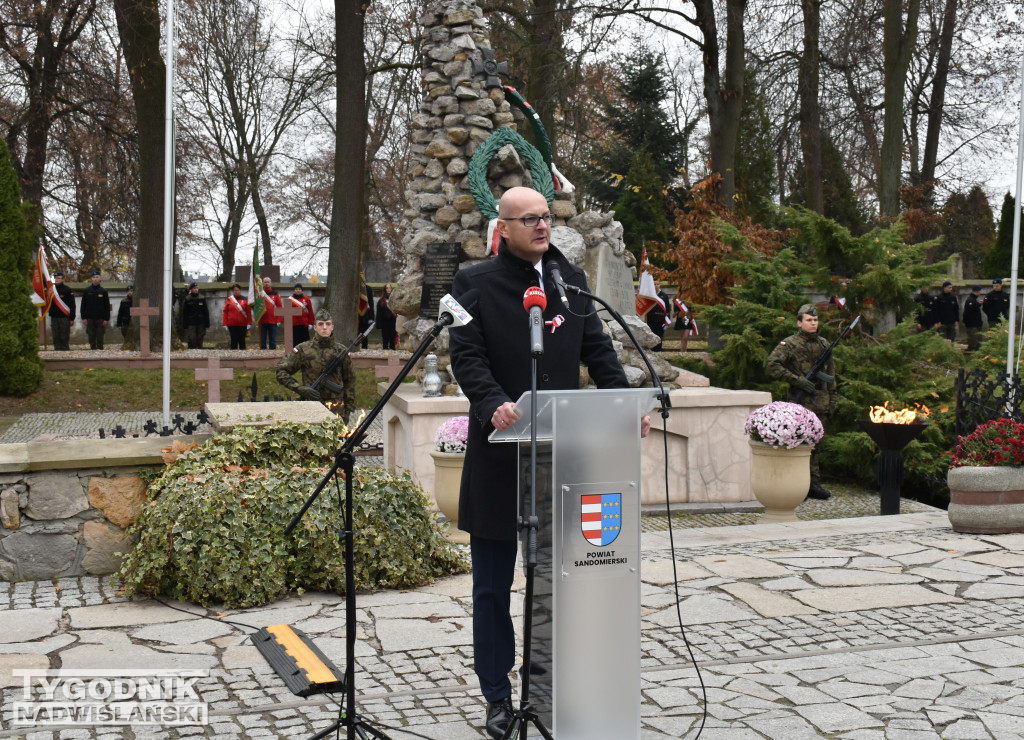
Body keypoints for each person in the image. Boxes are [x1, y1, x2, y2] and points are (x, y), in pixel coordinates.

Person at [448, 186, 651, 740]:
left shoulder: (570, 281)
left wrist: (624, 405)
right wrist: (495, 405)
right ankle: (496, 697)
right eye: (530, 219)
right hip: (500, 456)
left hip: (568, 462)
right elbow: (467, 357)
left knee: (569, 580)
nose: (542, 226)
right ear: (504, 228)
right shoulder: (476, 283)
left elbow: (599, 353)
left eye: (546, 216)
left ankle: (562, 687)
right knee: (492, 587)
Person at [766, 304, 837, 500]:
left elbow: (831, 376)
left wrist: (833, 401)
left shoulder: (824, 344)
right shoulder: (789, 344)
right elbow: (772, 365)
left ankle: (813, 484)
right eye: (809, 320)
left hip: (820, 402)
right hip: (800, 403)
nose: (813, 323)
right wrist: (798, 381)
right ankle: (797, 483)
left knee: (816, 445)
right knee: (797, 443)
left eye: (815, 320)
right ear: (799, 322)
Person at [276, 309, 355, 424]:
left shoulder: (341, 351)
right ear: (314, 327)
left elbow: (350, 380)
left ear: (332, 327)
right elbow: (281, 371)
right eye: (320, 324)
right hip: (311, 406)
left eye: (328, 324)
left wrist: (348, 409)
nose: (324, 327)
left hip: (335, 407)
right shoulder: (304, 349)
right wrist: (301, 389)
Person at [79, 269, 111, 350]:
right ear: (91, 279)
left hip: (100, 318)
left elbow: (107, 306)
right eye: (93, 277)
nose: (95, 279)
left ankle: (100, 349)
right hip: (89, 318)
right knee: (91, 335)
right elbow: (83, 305)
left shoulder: (103, 291)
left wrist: (106, 319)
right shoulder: (87, 291)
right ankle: (92, 348)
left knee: (100, 335)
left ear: (100, 278)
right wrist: (84, 317)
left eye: (97, 277)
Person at [47, 270, 76, 351]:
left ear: (63, 279)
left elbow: (72, 305)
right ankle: (57, 351)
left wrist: (72, 318)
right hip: (54, 316)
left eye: (59, 278)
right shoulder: (51, 290)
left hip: (64, 317)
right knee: (55, 336)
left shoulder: (67, 290)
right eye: (56, 278)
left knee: (64, 336)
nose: (57, 280)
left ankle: (65, 351)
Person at [222, 283, 252, 350]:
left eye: (238, 290)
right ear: (233, 291)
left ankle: (243, 356)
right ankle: (234, 357)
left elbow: (248, 312)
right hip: (231, 324)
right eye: (235, 290)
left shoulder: (245, 299)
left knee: (242, 341)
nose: (236, 291)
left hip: (243, 324)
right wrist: (224, 323)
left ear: (240, 290)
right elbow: (225, 312)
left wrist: (249, 322)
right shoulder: (229, 300)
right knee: (234, 341)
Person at [181, 282, 210, 349]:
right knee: (192, 337)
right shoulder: (188, 299)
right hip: (191, 322)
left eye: (197, 288)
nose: (196, 289)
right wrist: (185, 325)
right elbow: (185, 313)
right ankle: (192, 349)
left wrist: (207, 324)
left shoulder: (202, 298)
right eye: (194, 288)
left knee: (200, 337)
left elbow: (206, 312)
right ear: (191, 289)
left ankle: (199, 349)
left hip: (201, 322)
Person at [645, 279, 669, 351]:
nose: (656, 286)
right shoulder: (649, 295)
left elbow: (667, 309)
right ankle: (652, 351)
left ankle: (659, 351)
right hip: (651, 319)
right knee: (652, 336)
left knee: (659, 337)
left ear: (659, 285)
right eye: (654, 284)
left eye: (657, 284)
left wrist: (667, 322)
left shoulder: (664, 296)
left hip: (660, 320)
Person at [259, 276, 282, 350]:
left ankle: (272, 354)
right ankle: (263, 354)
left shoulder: (276, 293)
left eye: (268, 282)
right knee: (262, 340)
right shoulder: (260, 293)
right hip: (262, 320)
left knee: (273, 339)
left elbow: (279, 307)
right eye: (265, 282)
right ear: (262, 283)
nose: (267, 284)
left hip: (273, 320)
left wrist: (279, 320)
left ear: (271, 283)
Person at [376, 282, 397, 350]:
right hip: (384, 322)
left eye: (389, 288)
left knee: (392, 338)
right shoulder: (381, 301)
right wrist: (378, 325)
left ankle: (393, 352)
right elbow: (378, 314)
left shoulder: (394, 300)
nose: (388, 289)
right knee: (385, 338)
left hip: (392, 321)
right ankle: (385, 353)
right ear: (384, 289)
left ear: (391, 289)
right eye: (387, 288)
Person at [963, 285, 984, 352]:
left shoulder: (974, 300)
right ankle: (971, 348)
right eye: (979, 291)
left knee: (977, 337)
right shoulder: (970, 300)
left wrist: (979, 304)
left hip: (976, 322)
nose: (980, 293)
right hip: (972, 323)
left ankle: (976, 348)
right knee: (973, 337)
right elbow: (967, 312)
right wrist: (965, 321)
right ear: (976, 291)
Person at [358, 275, 374, 349]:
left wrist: (371, 317)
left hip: (366, 314)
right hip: (356, 315)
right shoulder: (355, 289)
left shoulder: (368, 289)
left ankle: (364, 347)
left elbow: (371, 304)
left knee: (365, 333)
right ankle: (356, 347)